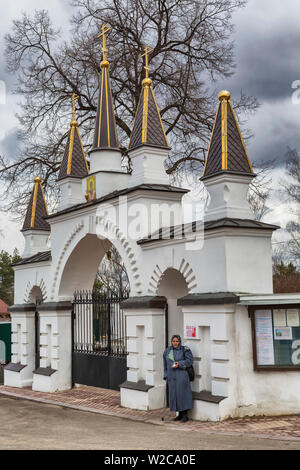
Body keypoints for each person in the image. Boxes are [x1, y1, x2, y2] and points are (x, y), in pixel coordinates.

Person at [163, 334, 193, 422]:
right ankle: (179, 414)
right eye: (173, 341)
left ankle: (185, 415)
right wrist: (165, 375)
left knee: (182, 394)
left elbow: (189, 361)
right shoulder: (168, 351)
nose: (175, 343)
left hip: (181, 375)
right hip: (171, 377)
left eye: (177, 341)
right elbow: (165, 364)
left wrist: (179, 364)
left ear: (179, 342)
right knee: (174, 395)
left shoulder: (185, 350)